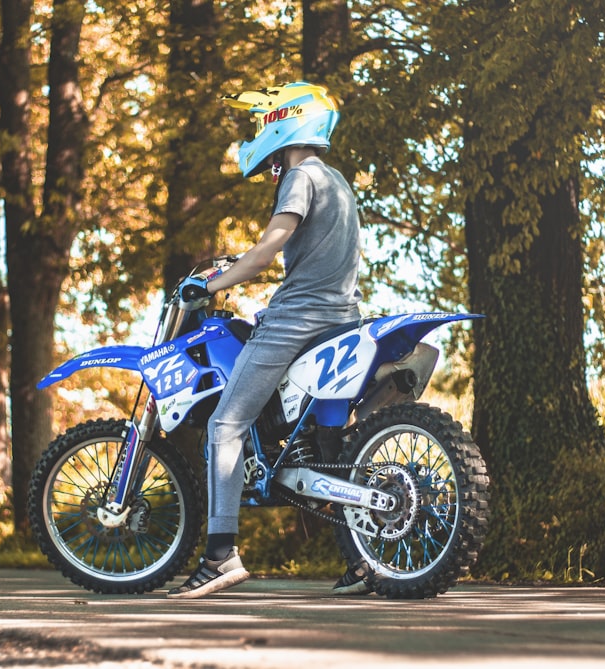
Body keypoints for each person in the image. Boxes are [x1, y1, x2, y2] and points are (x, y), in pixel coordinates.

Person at [167, 81, 369, 599]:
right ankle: (364, 560)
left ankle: (220, 555)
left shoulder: (300, 175)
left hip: (297, 319)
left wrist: (207, 285)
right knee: (332, 445)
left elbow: (265, 252)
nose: (260, 134)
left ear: (285, 122)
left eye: (263, 122)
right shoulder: (338, 181)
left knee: (225, 423)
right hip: (343, 318)